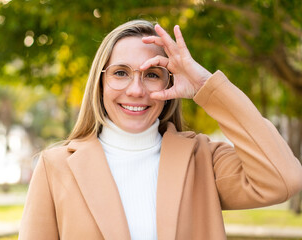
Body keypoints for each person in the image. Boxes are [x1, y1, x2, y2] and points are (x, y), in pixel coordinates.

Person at [18, 19, 302, 240]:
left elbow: (283, 179)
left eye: (151, 74)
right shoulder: (55, 167)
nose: (136, 89)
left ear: (169, 83)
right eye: (120, 73)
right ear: (100, 83)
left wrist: (206, 87)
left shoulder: (203, 160)